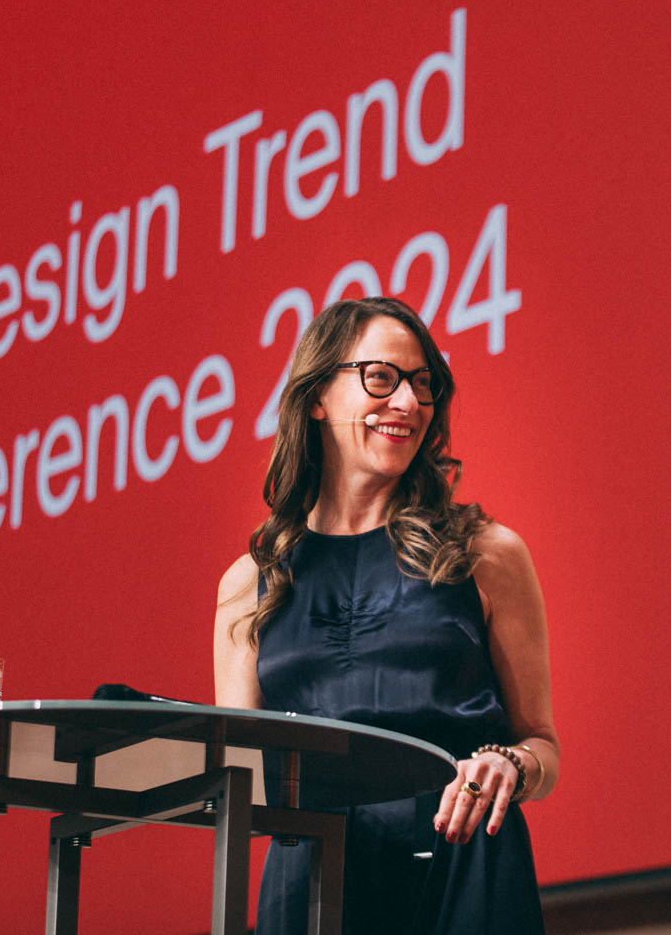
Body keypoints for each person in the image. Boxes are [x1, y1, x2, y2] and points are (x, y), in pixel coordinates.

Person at [214, 296, 559, 934]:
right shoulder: (248, 586)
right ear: (317, 395)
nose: (407, 404)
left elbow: (542, 744)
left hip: (463, 863)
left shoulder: (487, 554)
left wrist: (511, 764)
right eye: (381, 378)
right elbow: (243, 788)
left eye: (423, 384)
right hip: (310, 883)